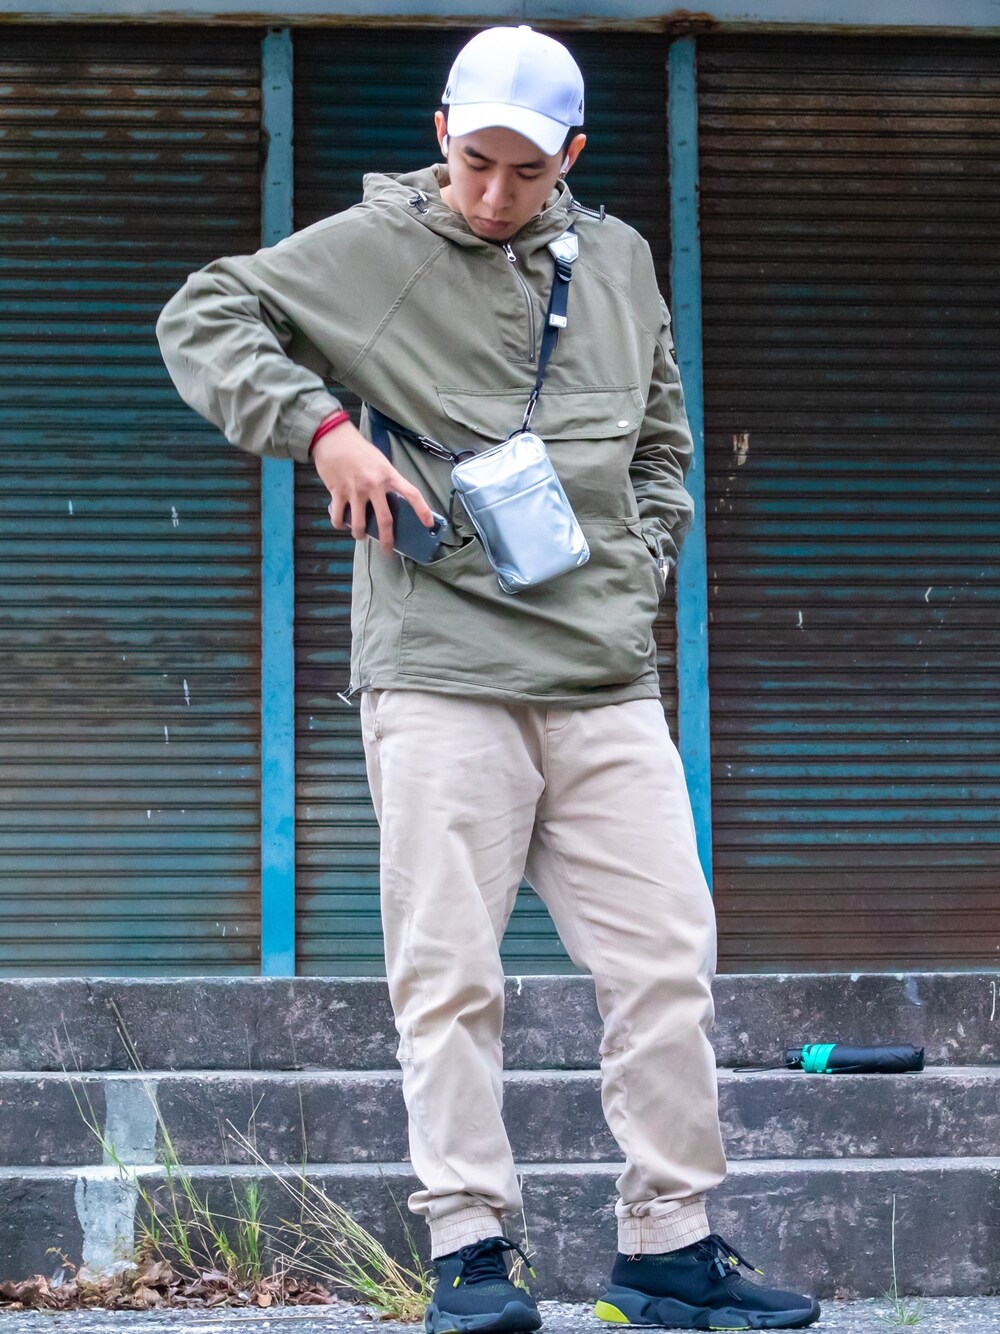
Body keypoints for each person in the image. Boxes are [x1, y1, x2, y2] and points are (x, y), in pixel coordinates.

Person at [156, 24, 820, 1333]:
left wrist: (640, 569)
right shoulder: (377, 247)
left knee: (667, 961)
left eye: (526, 169)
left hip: (603, 675)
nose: (495, 193)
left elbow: (664, 442)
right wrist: (324, 430)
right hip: (442, 671)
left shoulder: (618, 260)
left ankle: (670, 1247)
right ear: (441, 134)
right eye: (474, 163)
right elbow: (204, 313)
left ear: (571, 154)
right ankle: (469, 1250)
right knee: (450, 971)